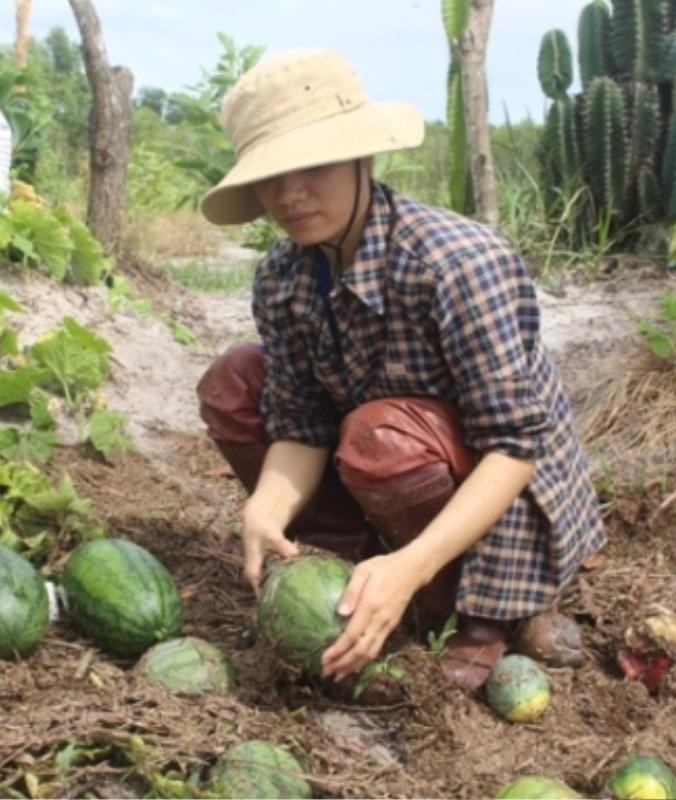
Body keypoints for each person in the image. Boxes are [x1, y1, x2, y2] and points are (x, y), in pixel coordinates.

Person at [195, 48, 605, 691]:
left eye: (312, 166)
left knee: (376, 435)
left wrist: (414, 564)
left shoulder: (457, 263)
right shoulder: (281, 277)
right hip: (388, 464)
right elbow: (299, 422)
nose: (290, 195)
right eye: (271, 176)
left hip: (499, 491)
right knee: (237, 380)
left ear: (364, 156)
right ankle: (343, 564)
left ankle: (470, 605)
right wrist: (266, 505)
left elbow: (513, 449)